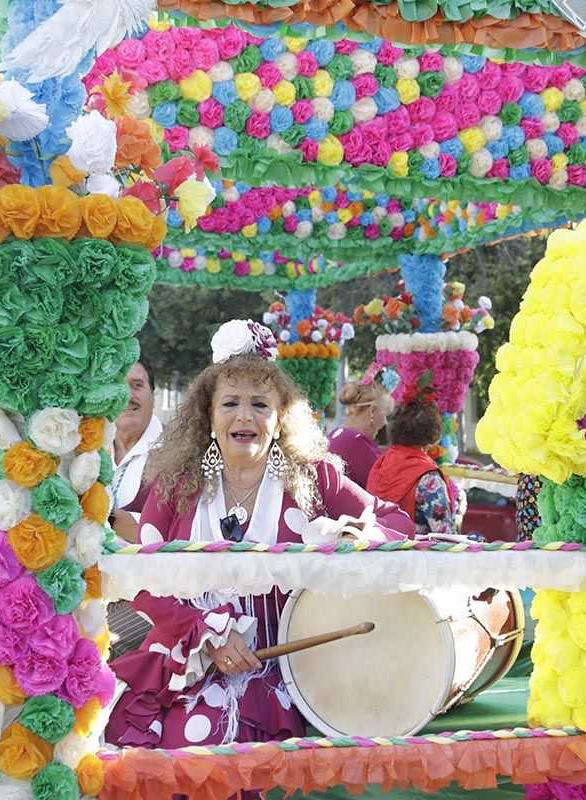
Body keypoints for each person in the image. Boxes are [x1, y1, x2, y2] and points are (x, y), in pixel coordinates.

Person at [104, 320, 414, 751]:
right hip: (182, 660)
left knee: (214, 743)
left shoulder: (314, 477)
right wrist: (206, 632)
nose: (244, 415)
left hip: (280, 672)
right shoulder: (176, 484)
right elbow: (141, 578)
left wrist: (350, 536)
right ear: (209, 416)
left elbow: (396, 521)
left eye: (260, 404)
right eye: (229, 402)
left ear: (281, 417)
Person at [366, 379, 461, 538]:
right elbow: (446, 536)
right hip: (413, 557)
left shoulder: (381, 464)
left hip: (377, 553)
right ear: (433, 433)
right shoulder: (427, 477)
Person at [109, 355, 163, 543]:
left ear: (152, 395)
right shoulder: (90, 448)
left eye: (137, 385)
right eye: (118, 386)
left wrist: (105, 514)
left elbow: (174, 533)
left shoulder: (178, 452)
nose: (127, 396)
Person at [327, 378, 392, 486]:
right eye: (384, 413)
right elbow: (386, 486)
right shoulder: (356, 442)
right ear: (372, 411)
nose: (385, 421)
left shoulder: (338, 433)